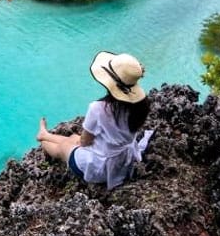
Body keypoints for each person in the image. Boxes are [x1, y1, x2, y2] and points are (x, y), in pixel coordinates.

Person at [36, 52, 154, 190]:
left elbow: (85, 141)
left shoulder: (98, 108)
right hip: (125, 161)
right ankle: (44, 134)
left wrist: (79, 143)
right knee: (73, 138)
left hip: (99, 167)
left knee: (63, 146)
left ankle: (43, 139)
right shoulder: (142, 105)